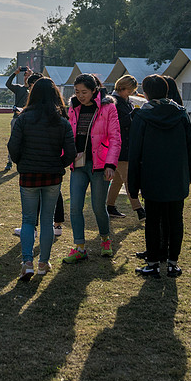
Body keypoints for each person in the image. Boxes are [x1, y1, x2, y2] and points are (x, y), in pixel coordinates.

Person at [128, 74, 191, 279]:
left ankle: (153, 264)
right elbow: (190, 148)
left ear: (146, 93)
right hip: (177, 176)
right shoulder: (181, 113)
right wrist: (189, 174)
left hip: (151, 176)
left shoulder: (142, 116)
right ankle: (172, 263)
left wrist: (133, 183)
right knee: (176, 220)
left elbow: (135, 152)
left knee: (153, 221)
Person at [8, 78, 76, 280]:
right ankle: (43, 263)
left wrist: (22, 162)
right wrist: (58, 164)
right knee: (47, 220)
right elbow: (71, 153)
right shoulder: (62, 122)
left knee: (28, 220)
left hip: (28, 174)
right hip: (52, 176)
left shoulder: (23, 118)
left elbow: (13, 147)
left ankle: (27, 261)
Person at [62, 73, 121, 263]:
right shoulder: (73, 108)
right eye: (77, 91)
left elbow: (115, 138)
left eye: (84, 92)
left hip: (100, 165)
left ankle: (105, 239)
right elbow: (68, 136)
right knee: (75, 207)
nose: (80, 95)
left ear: (94, 90)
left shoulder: (108, 107)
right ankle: (79, 247)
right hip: (78, 165)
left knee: (98, 207)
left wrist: (111, 164)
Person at [105, 74, 145, 220]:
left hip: (126, 145)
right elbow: (113, 124)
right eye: (130, 90)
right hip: (118, 146)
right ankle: (139, 209)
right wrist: (130, 116)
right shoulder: (112, 102)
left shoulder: (125, 100)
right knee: (129, 179)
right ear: (123, 88)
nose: (132, 93)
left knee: (118, 180)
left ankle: (109, 206)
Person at [4, 66, 31, 171]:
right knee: (13, 140)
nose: (26, 77)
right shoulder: (19, 88)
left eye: (29, 76)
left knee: (27, 141)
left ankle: (24, 161)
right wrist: (15, 73)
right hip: (17, 118)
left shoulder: (34, 91)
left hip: (28, 119)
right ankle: (9, 162)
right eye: (25, 75)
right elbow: (8, 84)